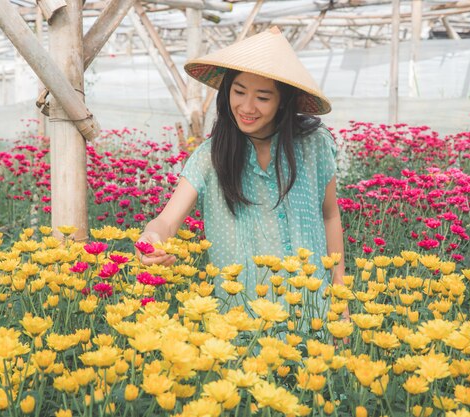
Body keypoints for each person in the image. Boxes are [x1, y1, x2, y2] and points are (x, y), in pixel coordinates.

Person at [136, 27, 345, 303]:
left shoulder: (314, 145)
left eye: (262, 97)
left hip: (313, 308)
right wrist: (151, 237)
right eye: (239, 91)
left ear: (283, 102)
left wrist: (340, 298)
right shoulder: (211, 156)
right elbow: (166, 220)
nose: (247, 107)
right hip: (242, 320)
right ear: (227, 91)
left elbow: (329, 216)